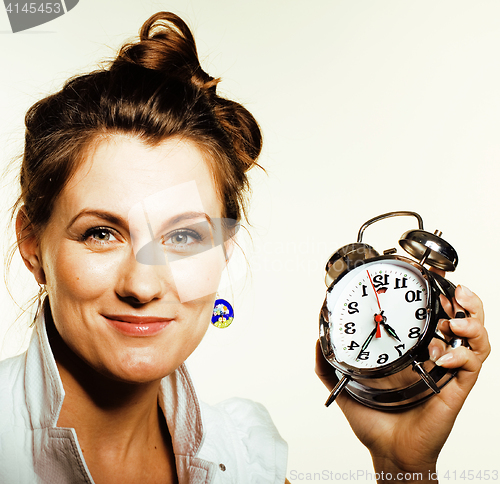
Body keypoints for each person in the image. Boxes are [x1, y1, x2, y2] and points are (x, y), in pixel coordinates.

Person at [0, 11, 490, 484]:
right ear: (32, 245)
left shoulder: (245, 456)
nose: (142, 284)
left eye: (184, 237)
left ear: (223, 252)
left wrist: (402, 466)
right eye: (101, 233)